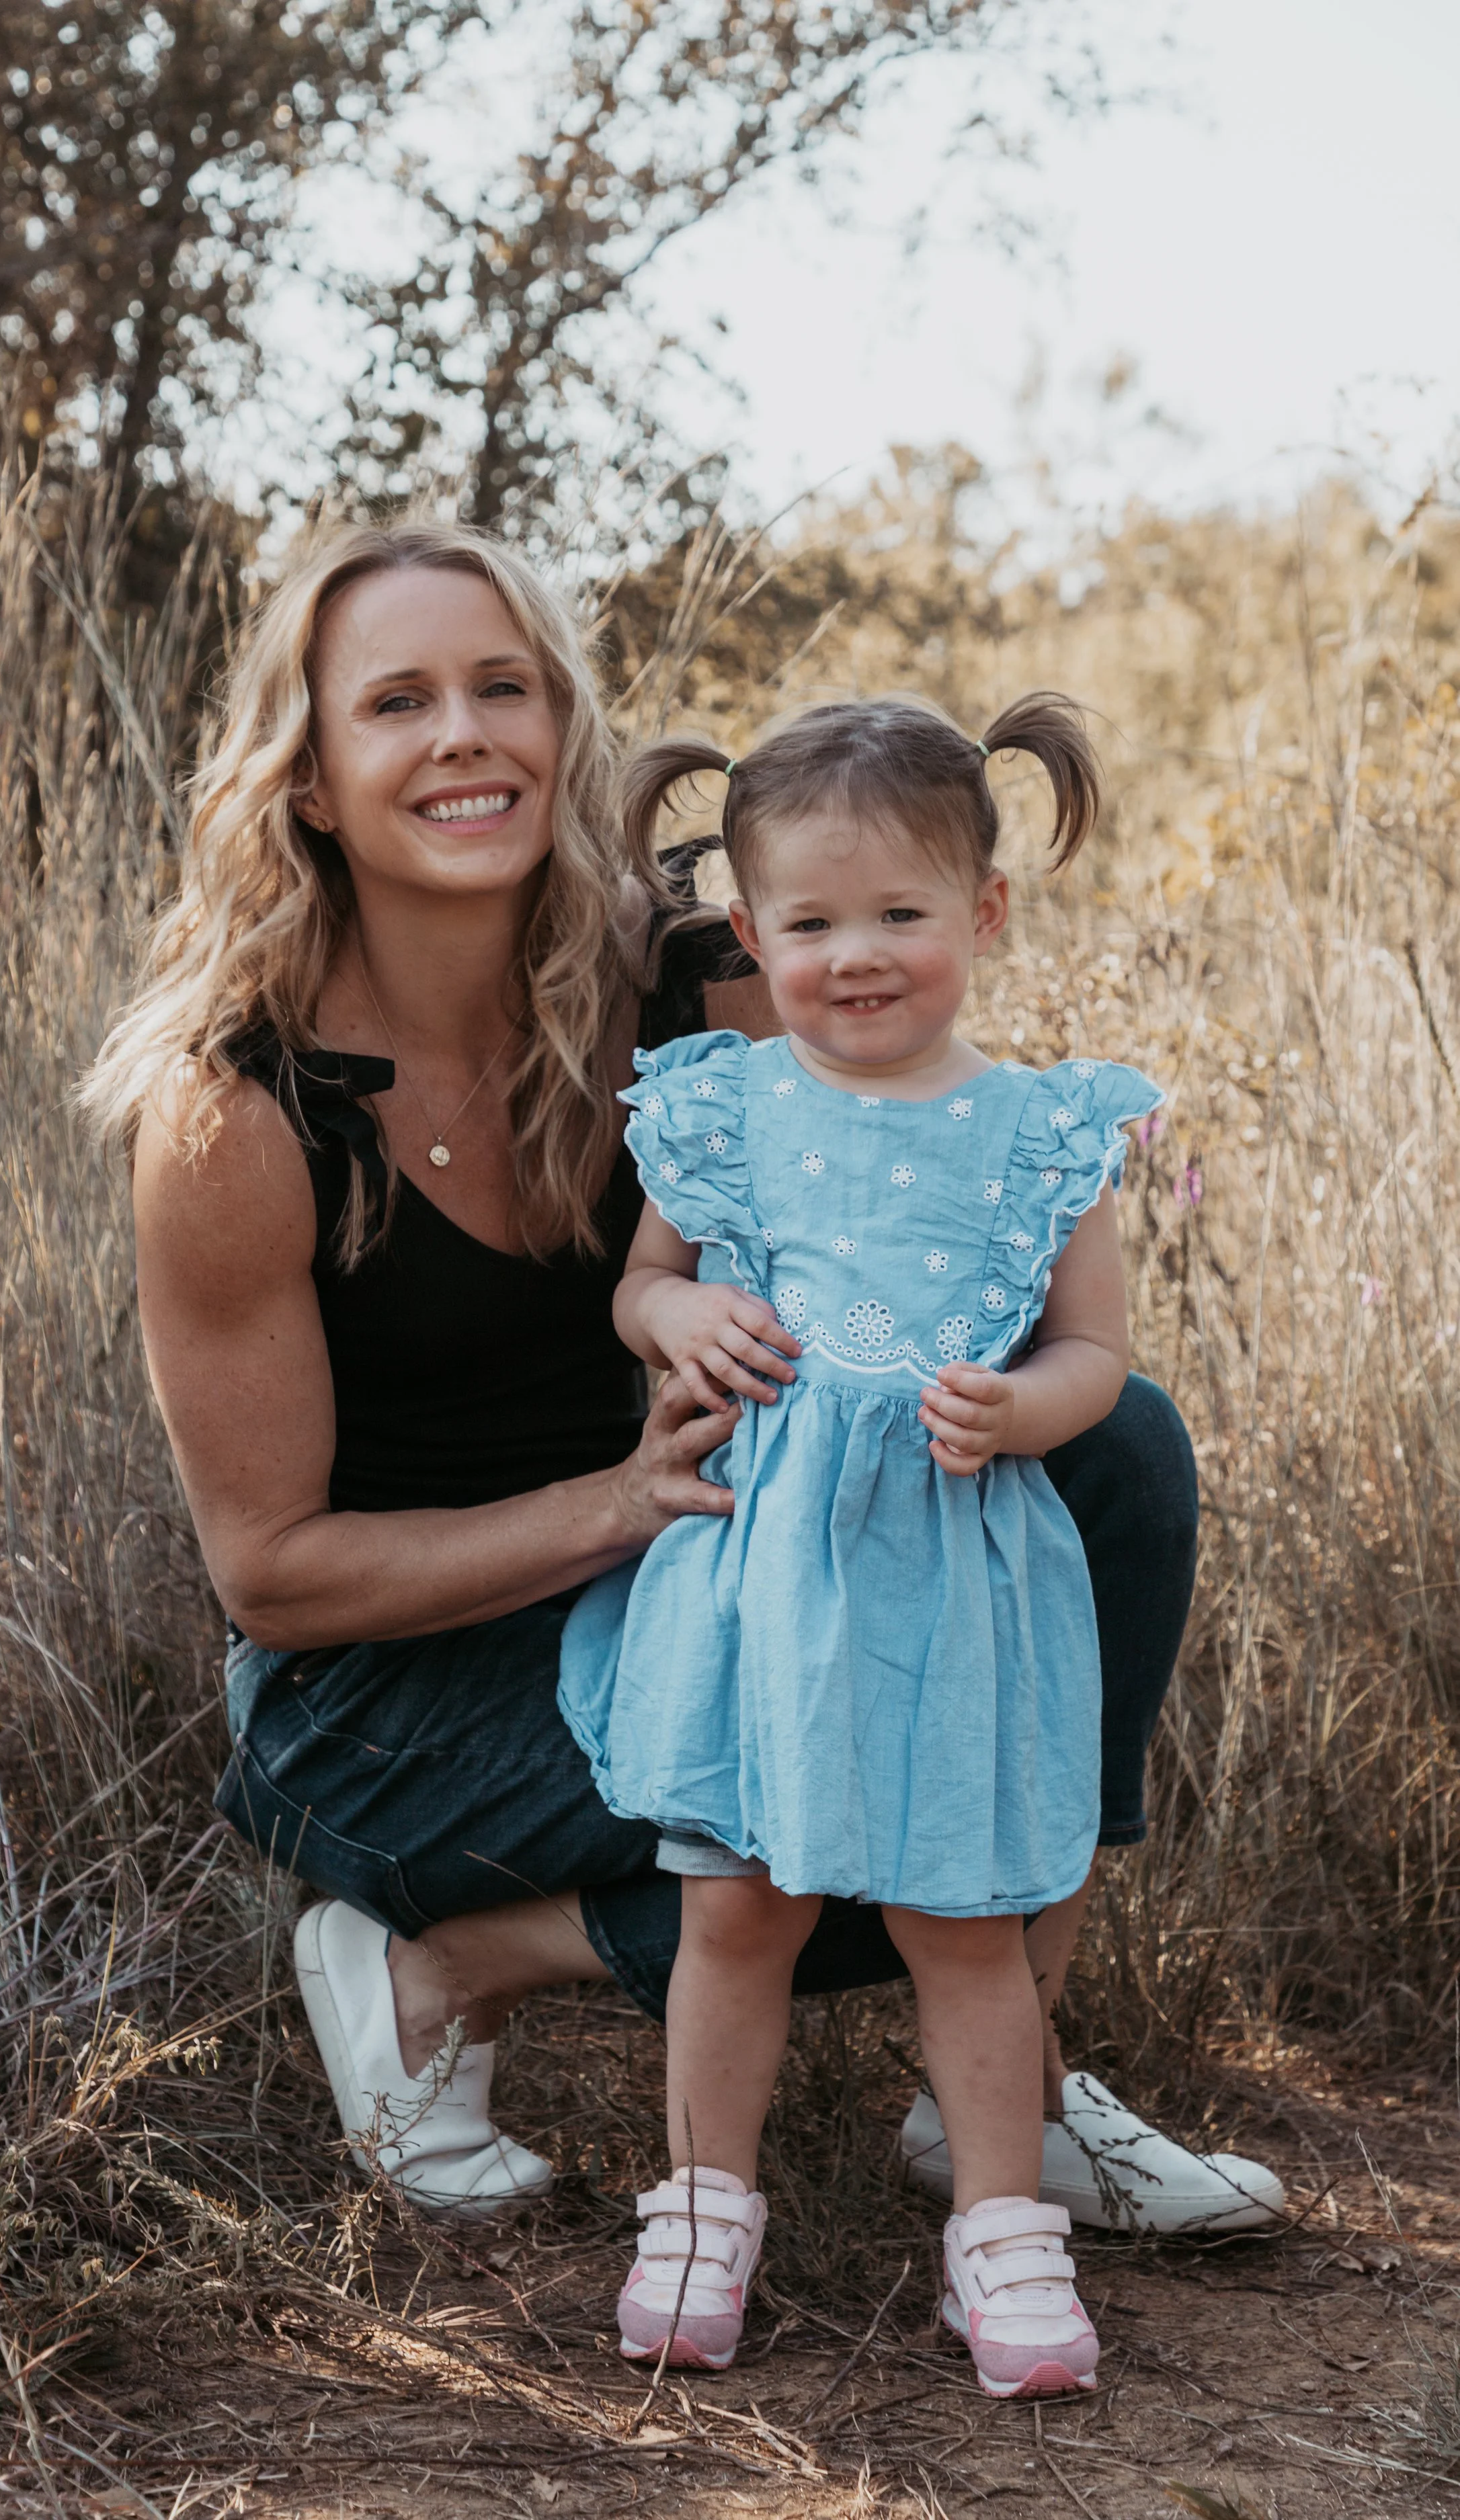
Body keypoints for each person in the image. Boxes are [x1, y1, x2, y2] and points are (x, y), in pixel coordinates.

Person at [83, 517, 1283, 2245]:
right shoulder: (234, 1114)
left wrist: (977, 1391)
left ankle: (996, 2094)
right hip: (401, 1699)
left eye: (505, 687)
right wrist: (625, 1504)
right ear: (314, 782)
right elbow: (273, 1573)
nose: (463, 735)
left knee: (1108, 1469)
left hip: (716, 1565)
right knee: (843, 1771)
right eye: (397, 701)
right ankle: (437, 1959)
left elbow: (937, 1170)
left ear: (566, 728)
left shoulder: (694, 983)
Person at [560, 696, 1156, 2396]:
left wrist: (1024, 1411)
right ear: (746, 932)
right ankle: (699, 2206)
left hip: (952, 1574)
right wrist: (682, 1315)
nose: (857, 957)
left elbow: (1092, 1350)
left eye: (900, 914)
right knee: (733, 1906)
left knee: (965, 1920)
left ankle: (999, 2232)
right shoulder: (723, 1106)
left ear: (982, 913)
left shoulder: (1038, 1132)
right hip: (762, 1583)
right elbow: (636, 1282)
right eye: (810, 924)